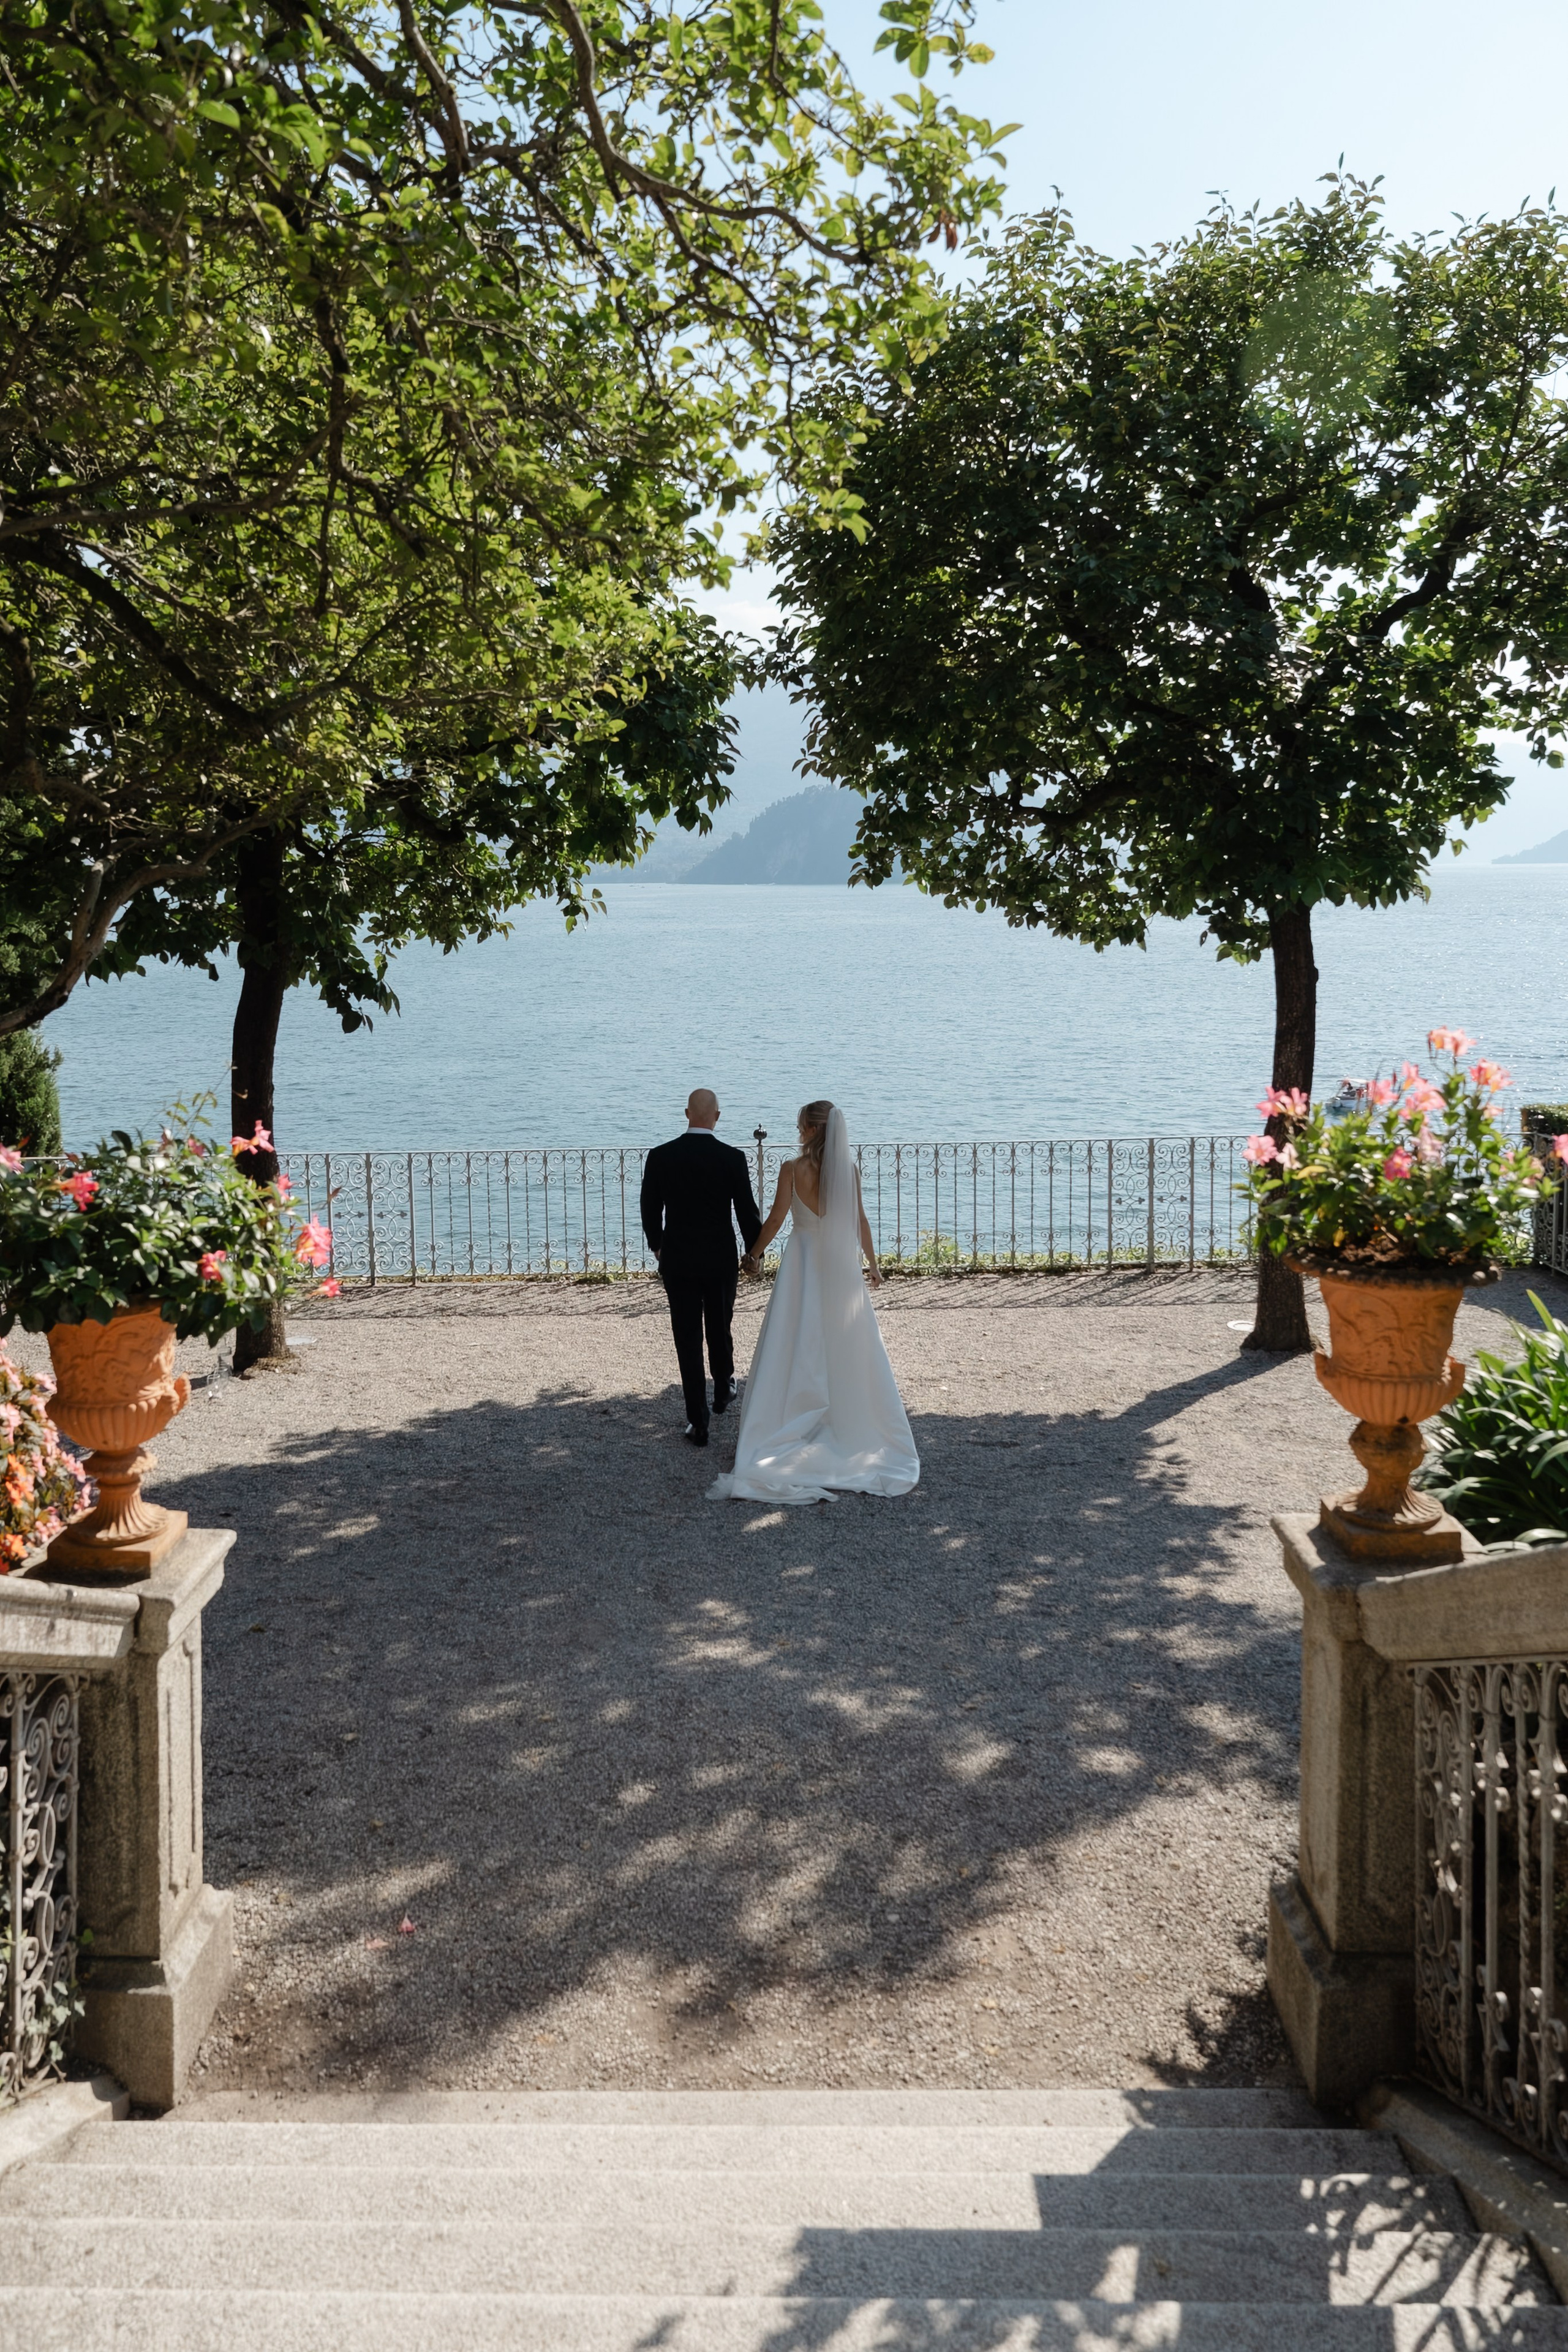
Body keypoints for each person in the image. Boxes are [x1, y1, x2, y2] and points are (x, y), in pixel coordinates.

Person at [709, 1100, 919, 1504]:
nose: (798, 1131)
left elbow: (775, 1220)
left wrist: (752, 1255)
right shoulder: (848, 1171)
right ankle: (840, 1418)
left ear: (812, 1130)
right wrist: (873, 1267)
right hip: (838, 1263)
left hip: (802, 1261)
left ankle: (793, 1415)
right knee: (842, 1340)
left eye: (801, 1126)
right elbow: (860, 1221)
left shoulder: (792, 1169)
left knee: (796, 1337)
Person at [640, 1088, 762, 1448]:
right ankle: (723, 1385)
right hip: (720, 1257)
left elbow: (650, 1207)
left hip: (678, 1258)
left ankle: (699, 1420)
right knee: (720, 1322)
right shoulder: (732, 1157)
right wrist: (754, 1253)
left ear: (686, 1114)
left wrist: (659, 1245)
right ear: (717, 1117)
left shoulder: (662, 1156)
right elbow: (746, 1212)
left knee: (687, 1337)